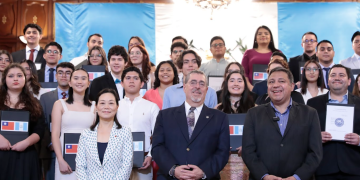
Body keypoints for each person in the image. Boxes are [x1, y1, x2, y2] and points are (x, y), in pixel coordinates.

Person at [242, 67, 323, 180]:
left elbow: (315, 153)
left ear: (292, 86)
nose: (275, 85)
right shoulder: (253, 114)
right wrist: (264, 176)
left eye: (281, 81)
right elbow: (248, 151)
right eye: (271, 82)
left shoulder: (310, 113)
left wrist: (297, 177)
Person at [152, 70, 230, 180]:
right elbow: (157, 147)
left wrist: (203, 171)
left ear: (206, 90)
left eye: (202, 84)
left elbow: (223, 151)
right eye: (193, 82)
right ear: (184, 87)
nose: (197, 87)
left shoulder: (220, 118)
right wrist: (173, 169)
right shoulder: (165, 116)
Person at [307, 64, 360, 180]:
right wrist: (316, 137)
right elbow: (303, 134)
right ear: (328, 80)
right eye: (333, 75)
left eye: (341, 75)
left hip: (354, 167)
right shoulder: (312, 104)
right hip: (323, 167)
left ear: (349, 81)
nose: (337, 78)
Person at [76, 88, 133, 179]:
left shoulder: (125, 132)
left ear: (117, 106)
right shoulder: (86, 134)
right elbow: (80, 166)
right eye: (102, 103)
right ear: (96, 106)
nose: (106, 107)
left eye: (111, 103)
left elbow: (126, 165)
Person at [0, 64, 45, 179]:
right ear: (4, 80)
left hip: (26, 155)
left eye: (19, 75)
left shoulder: (34, 103)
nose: (15, 79)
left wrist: (26, 143)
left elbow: (39, 130)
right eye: (11, 76)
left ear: (25, 79)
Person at [51, 68, 95, 179]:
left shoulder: (95, 106)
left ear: (88, 83)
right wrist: (60, 160)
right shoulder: (59, 104)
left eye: (83, 78)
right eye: (76, 78)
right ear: (70, 83)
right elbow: (55, 135)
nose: (79, 81)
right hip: (65, 159)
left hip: (89, 160)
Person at [117, 67, 159, 180]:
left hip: (144, 162)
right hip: (117, 162)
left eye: (135, 78)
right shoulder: (114, 106)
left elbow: (158, 135)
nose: (131, 81)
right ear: (122, 83)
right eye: (128, 78)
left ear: (142, 84)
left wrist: (150, 156)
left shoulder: (152, 107)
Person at [215, 71, 255, 180]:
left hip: (249, 158)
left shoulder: (255, 108)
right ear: (226, 85)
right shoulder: (218, 109)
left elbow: (260, 134)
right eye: (232, 80)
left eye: (240, 80)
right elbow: (213, 135)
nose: (236, 83)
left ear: (245, 85)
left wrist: (247, 147)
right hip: (224, 159)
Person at [39, 62, 74, 180]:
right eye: (60, 72)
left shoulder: (81, 98)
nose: (64, 75)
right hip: (50, 152)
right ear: (56, 76)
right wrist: (51, 143)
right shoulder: (45, 98)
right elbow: (42, 124)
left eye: (68, 73)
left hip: (75, 150)